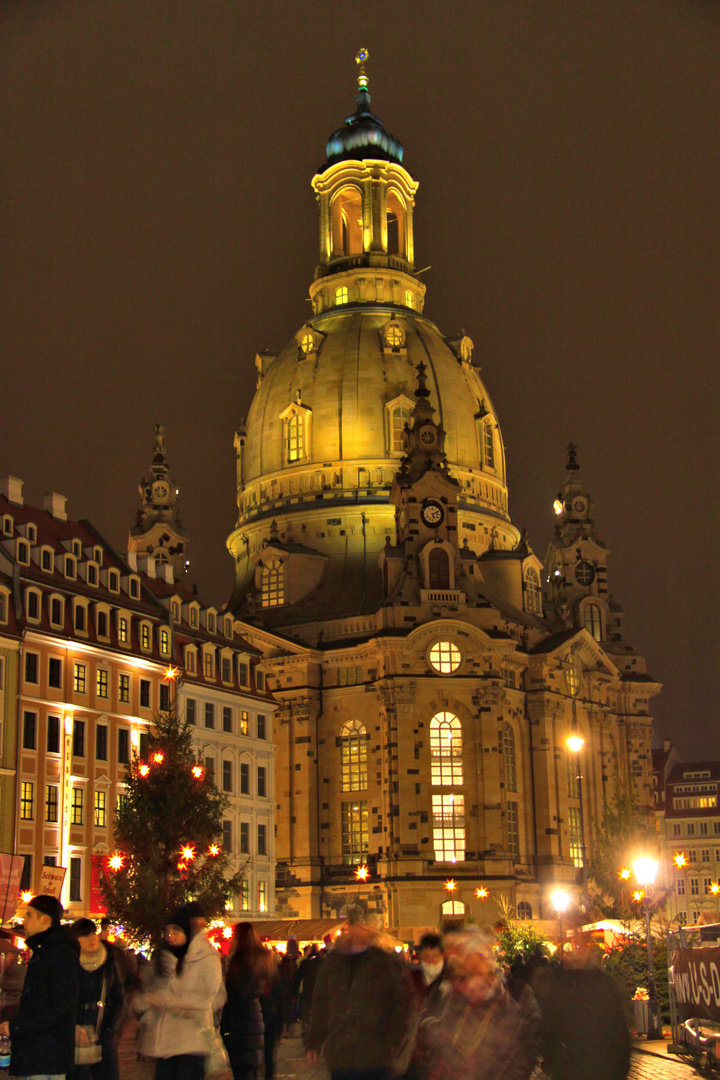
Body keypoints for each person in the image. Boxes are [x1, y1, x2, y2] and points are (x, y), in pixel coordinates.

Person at [306, 919, 418, 1080]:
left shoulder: (387, 963)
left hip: (376, 1057)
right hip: (341, 1056)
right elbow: (321, 1006)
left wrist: (397, 1042)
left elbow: (405, 1005)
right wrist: (313, 1043)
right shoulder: (333, 962)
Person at [136, 903, 224, 1080]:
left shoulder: (207, 957)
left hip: (192, 1042)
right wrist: (145, 1003)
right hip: (165, 1045)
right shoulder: (163, 957)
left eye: (176, 932)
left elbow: (210, 999)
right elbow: (150, 988)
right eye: (168, 932)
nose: (171, 937)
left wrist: (168, 1001)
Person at [0, 894, 80, 1079]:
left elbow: (54, 1008)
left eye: (29, 915)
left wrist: (16, 1028)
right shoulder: (47, 951)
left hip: (45, 1058)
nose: (24, 921)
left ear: (44, 919)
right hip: (41, 1056)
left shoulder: (57, 954)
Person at [530, 946, 631, 1080]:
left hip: (584, 1066)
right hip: (595, 1066)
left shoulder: (570, 986)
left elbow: (552, 1031)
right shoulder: (605, 983)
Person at [68, 917, 125, 1080]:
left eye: (93, 932)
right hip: (78, 1028)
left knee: (107, 1074)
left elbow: (118, 996)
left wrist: (112, 1027)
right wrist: (73, 1026)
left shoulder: (107, 960)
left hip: (104, 1026)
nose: (92, 938)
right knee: (79, 1074)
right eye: (84, 935)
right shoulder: (69, 964)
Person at [220, 923, 271, 1080]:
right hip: (255, 1016)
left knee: (241, 1068)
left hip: (239, 1021)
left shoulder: (239, 961)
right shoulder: (261, 959)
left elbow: (235, 993)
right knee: (251, 1066)